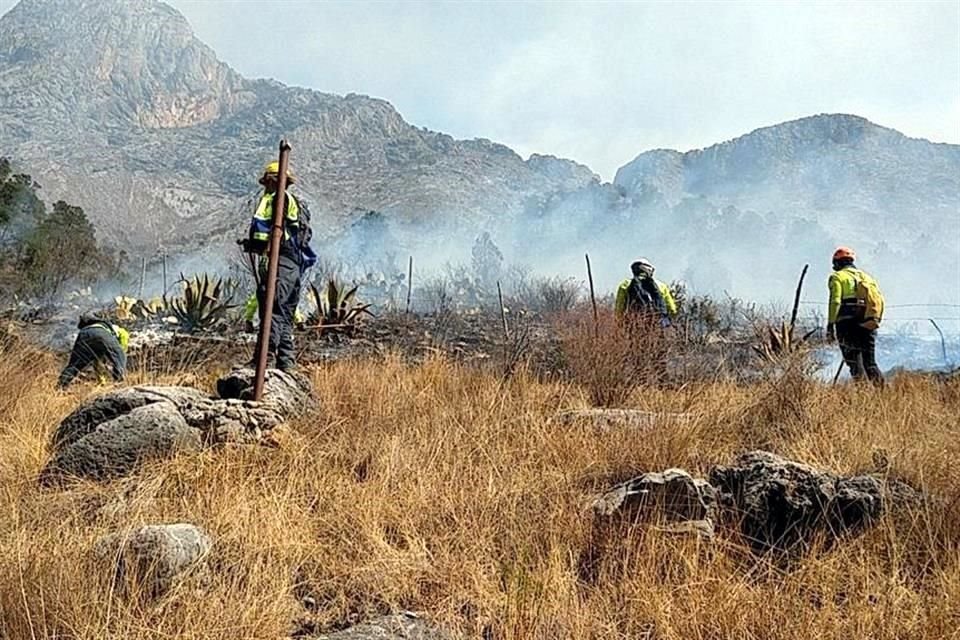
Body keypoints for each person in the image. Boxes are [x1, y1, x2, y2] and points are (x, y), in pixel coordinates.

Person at [241, 161, 316, 371]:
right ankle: (286, 363)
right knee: (284, 314)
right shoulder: (293, 202)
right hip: (293, 265)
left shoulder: (276, 199)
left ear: (272, 181)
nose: (265, 185)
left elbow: (264, 230)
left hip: (281, 262)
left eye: (267, 181)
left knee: (272, 307)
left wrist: (254, 245)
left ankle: (263, 359)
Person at [826, 246, 884, 386]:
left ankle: (862, 396)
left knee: (854, 361)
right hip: (867, 321)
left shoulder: (837, 277)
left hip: (846, 323)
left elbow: (835, 301)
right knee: (870, 362)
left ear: (838, 263)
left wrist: (830, 324)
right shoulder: (867, 277)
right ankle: (883, 395)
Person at [57, 313, 129, 388]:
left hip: (83, 334)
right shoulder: (117, 329)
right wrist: (122, 350)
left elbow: (97, 364)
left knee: (75, 364)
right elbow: (124, 335)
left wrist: (102, 382)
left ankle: (60, 386)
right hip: (101, 332)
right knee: (120, 355)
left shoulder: (90, 329)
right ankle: (119, 382)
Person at [614, 258, 676, 325]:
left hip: (634, 325)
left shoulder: (625, 284)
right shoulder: (661, 286)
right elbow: (672, 309)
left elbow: (619, 309)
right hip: (657, 325)